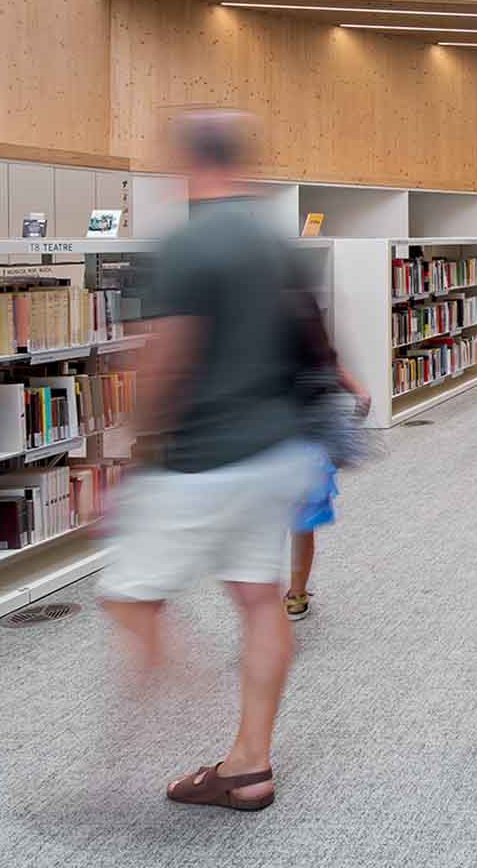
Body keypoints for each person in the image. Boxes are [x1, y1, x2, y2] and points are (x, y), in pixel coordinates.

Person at [104, 108, 325, 812]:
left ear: (189, 164)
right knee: (261, 598)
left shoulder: (186, 244)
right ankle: (250, 764)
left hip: (204, 458)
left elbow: (167, 358)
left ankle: (186, 691)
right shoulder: (274, 239)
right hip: (278, 448)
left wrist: (131, 450)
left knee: (128, 595)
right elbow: (312, 334)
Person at [284, 290, 369, 622]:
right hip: (309, 448)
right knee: (302, 527)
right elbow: (331, 365)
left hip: (266, 443)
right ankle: (296, 594)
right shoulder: (309, 332)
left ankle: (265, 600)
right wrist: (359, 392)